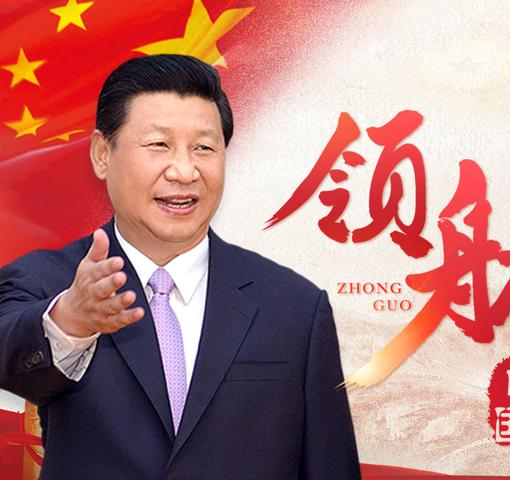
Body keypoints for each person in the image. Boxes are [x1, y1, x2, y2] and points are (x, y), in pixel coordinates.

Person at [0, 54, 360, 479]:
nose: (185, 171)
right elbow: (10, 354)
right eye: (159, 145)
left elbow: (328, 464)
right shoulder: (49, 281)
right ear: (102, 154)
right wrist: (70, 322)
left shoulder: (294, 307)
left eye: (204, 148)